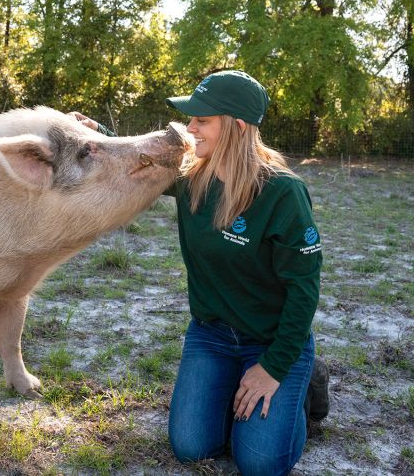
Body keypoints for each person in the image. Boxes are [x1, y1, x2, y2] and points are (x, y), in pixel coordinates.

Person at [75, 70, 328, 475]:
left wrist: (274, 367)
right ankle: (234, 389)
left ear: (237, 127)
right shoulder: (191, 177)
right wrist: (97, 133)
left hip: (272, 340)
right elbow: (138, 158)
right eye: (191, 119)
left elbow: (304, 289)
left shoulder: (283, 193)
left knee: (260, 464)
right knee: (192, 446)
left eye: (202, 120)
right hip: (212, 335)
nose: (189, 128)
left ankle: (302, 389)